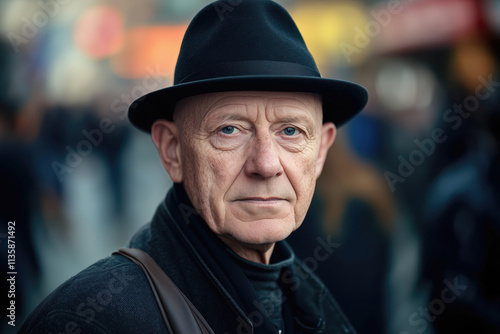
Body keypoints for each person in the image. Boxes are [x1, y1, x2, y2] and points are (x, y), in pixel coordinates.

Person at [20, 0, 368, 333]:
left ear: (321, 150)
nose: (265, 164)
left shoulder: (311, 302)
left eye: (290, 131)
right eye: (229, 130)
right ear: (173, 151)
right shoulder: (90, 322)